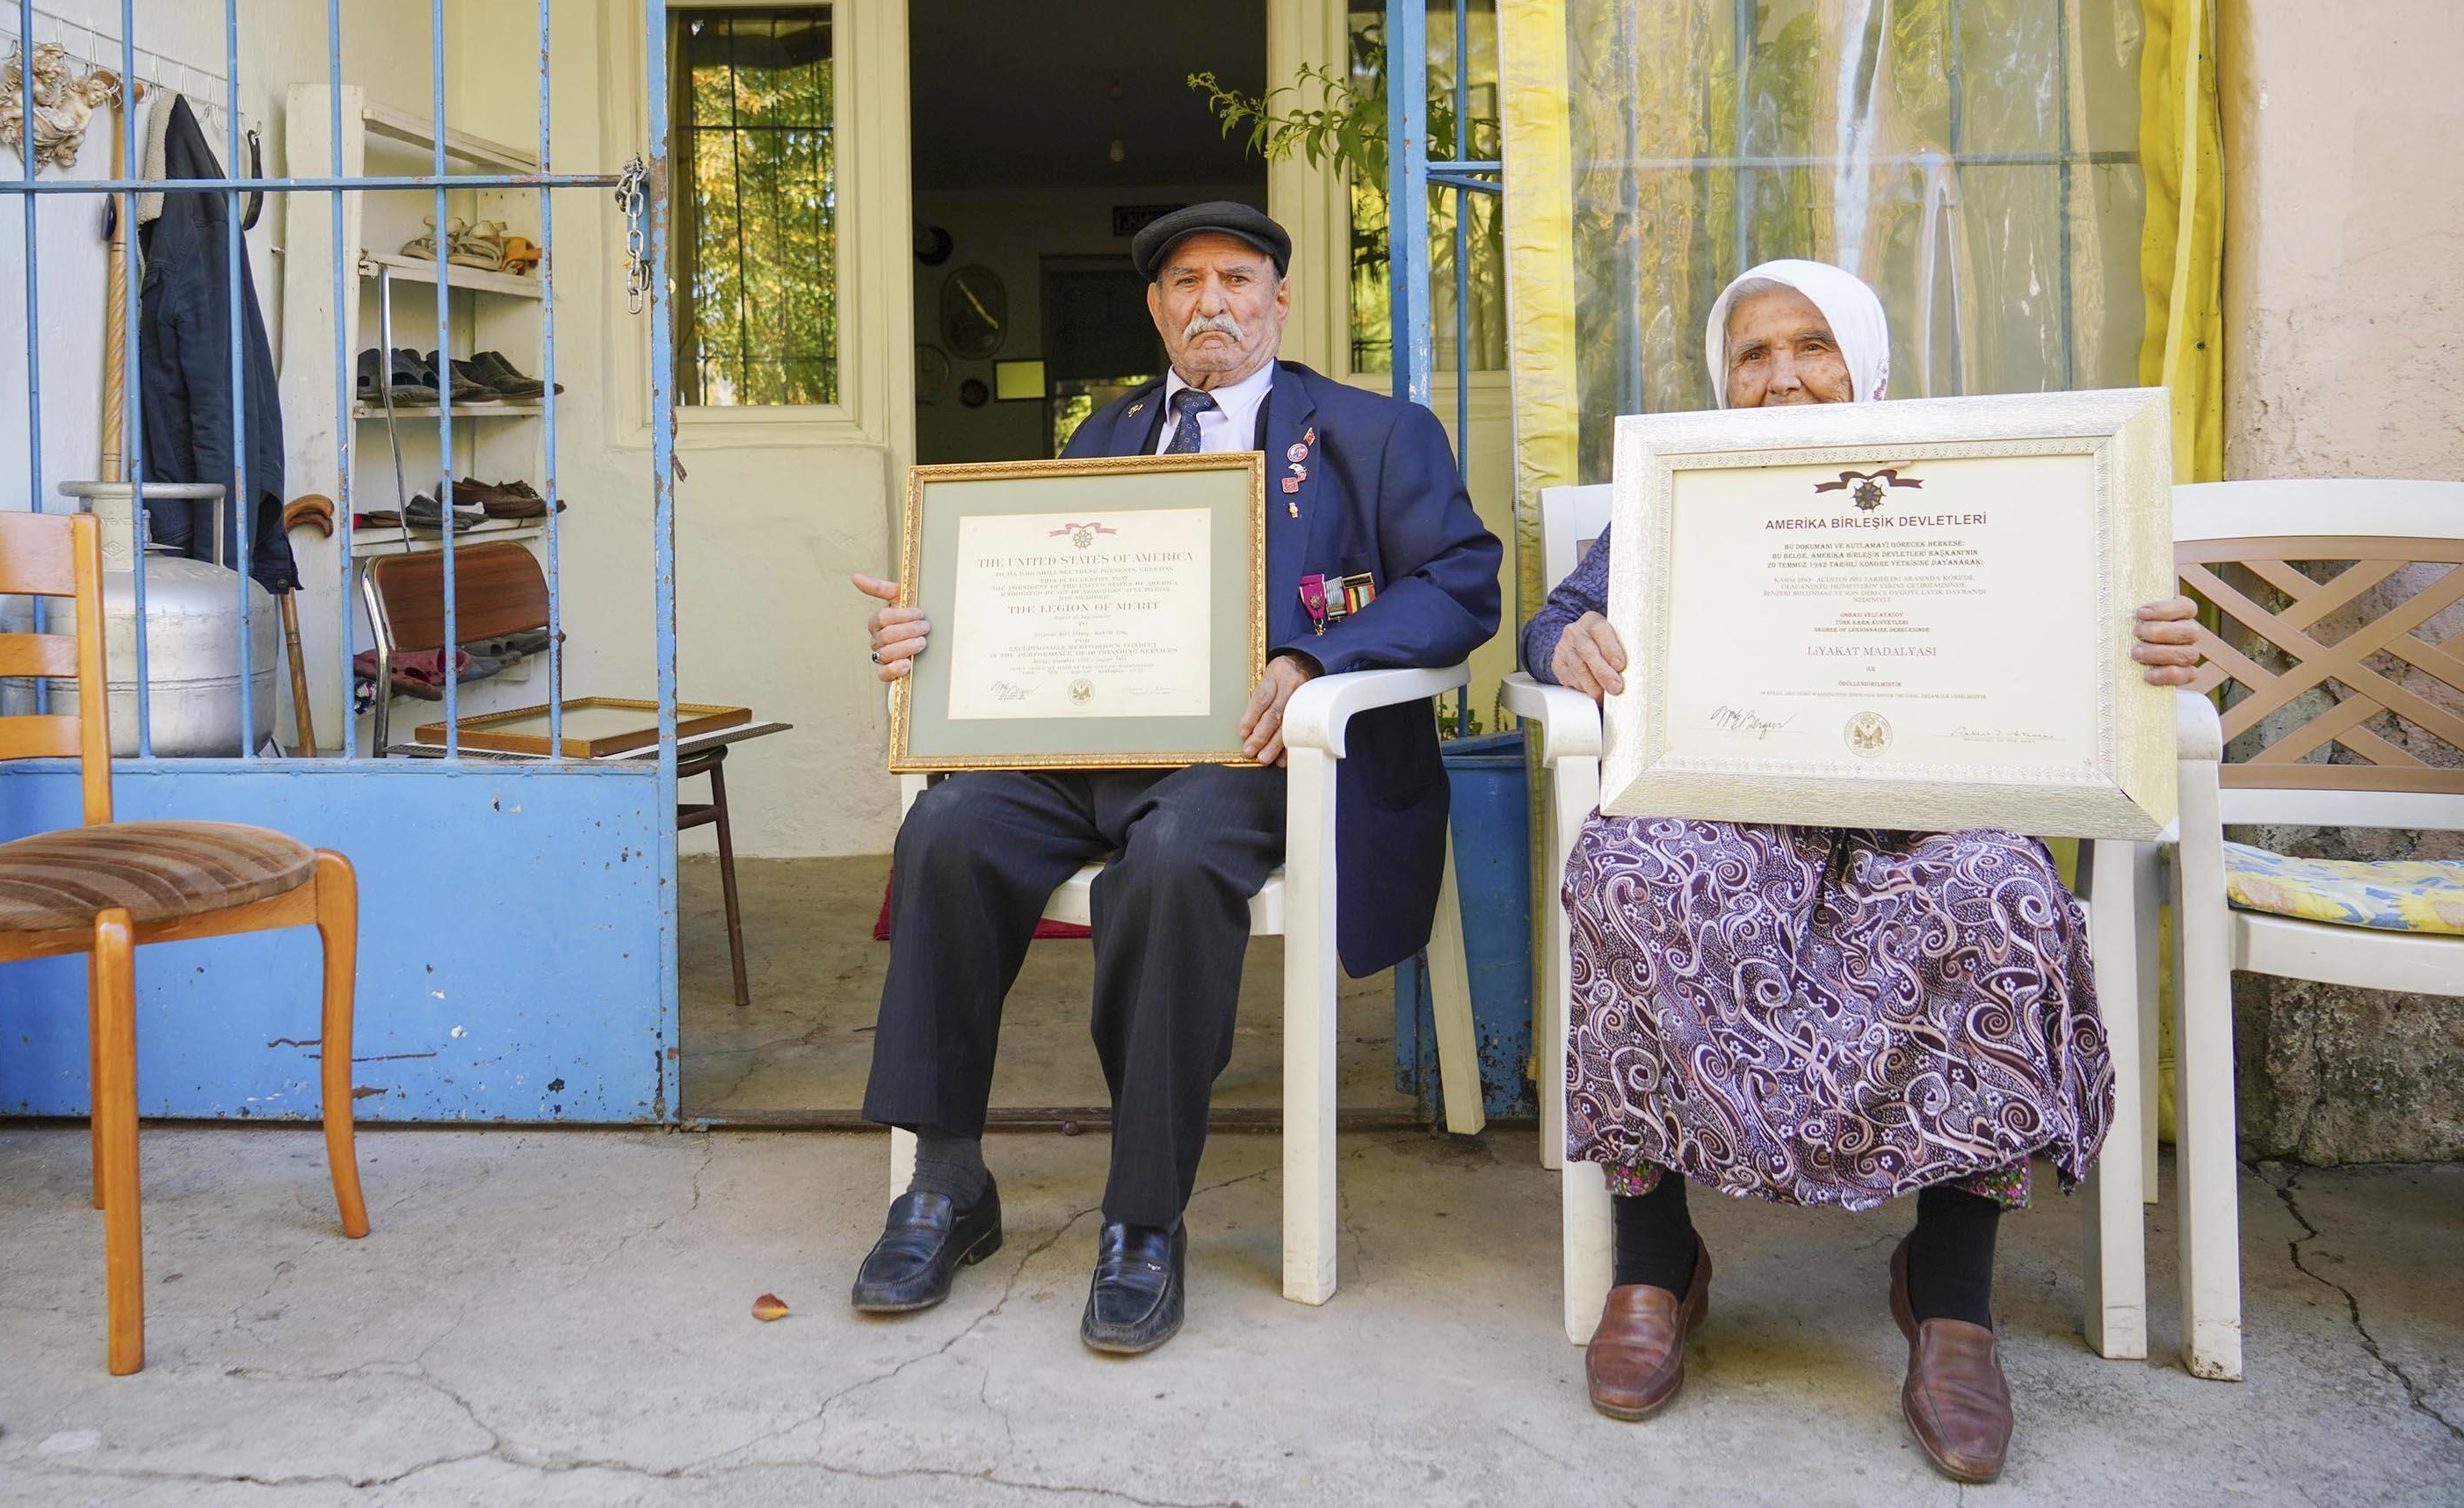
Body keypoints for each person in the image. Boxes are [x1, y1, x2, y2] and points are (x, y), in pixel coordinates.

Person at [1522, 257, 2203, 1484]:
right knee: (1626, 869)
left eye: (1812, 346)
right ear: (1720, 384)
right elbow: (1553, 616)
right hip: (1744, 811)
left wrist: (2152, 639)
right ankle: (1655, 1256)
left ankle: (1949, 1298)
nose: (1781, 375)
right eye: (1752, 354)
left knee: (2001, 894)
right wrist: (1566, 637)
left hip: (1926, 808)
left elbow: (2087, 622)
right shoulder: (1693, 497)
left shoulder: (1984, 482)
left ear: (1868, 363)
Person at [849, 200, 1501, 1355]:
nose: (1213, 301)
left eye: (1238, 278)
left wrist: (1314, 658)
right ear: (1157, 309)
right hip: (1090, 745)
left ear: (1278, 299)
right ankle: (947, 1183)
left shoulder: (1376, 433)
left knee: (1170, 859)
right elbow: (1034, 604)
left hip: (1258, 752)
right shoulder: (1100, 433)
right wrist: (928, 639)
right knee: (946, 827)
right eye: (1186, 282)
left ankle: (1143, 1213)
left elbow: (1462, 583)